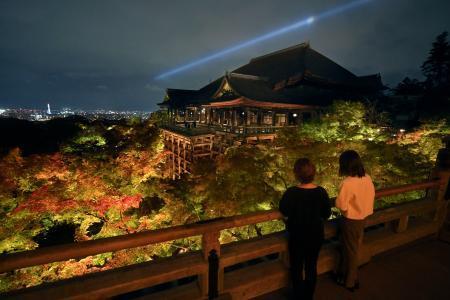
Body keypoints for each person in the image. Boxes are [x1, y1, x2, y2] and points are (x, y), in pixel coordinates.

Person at [279, 158, 331, 299]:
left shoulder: (291, 193)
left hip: (297, 235)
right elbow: (326, 214)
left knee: (296, 267)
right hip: (315, 235)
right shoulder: (321, 192)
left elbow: (283, 210)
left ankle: (297, 295)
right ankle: (309, 295)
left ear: (296, 174)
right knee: (311, 266)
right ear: (313, 173)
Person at [335, 150, 375, 292]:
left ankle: (351, 281)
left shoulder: (347, 183)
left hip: (351, 220)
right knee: (352, 247)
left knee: (351, 251)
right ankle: (343, 274)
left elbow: (341, 205)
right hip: (363, 217)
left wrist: (343, 208)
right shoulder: (367, 178)